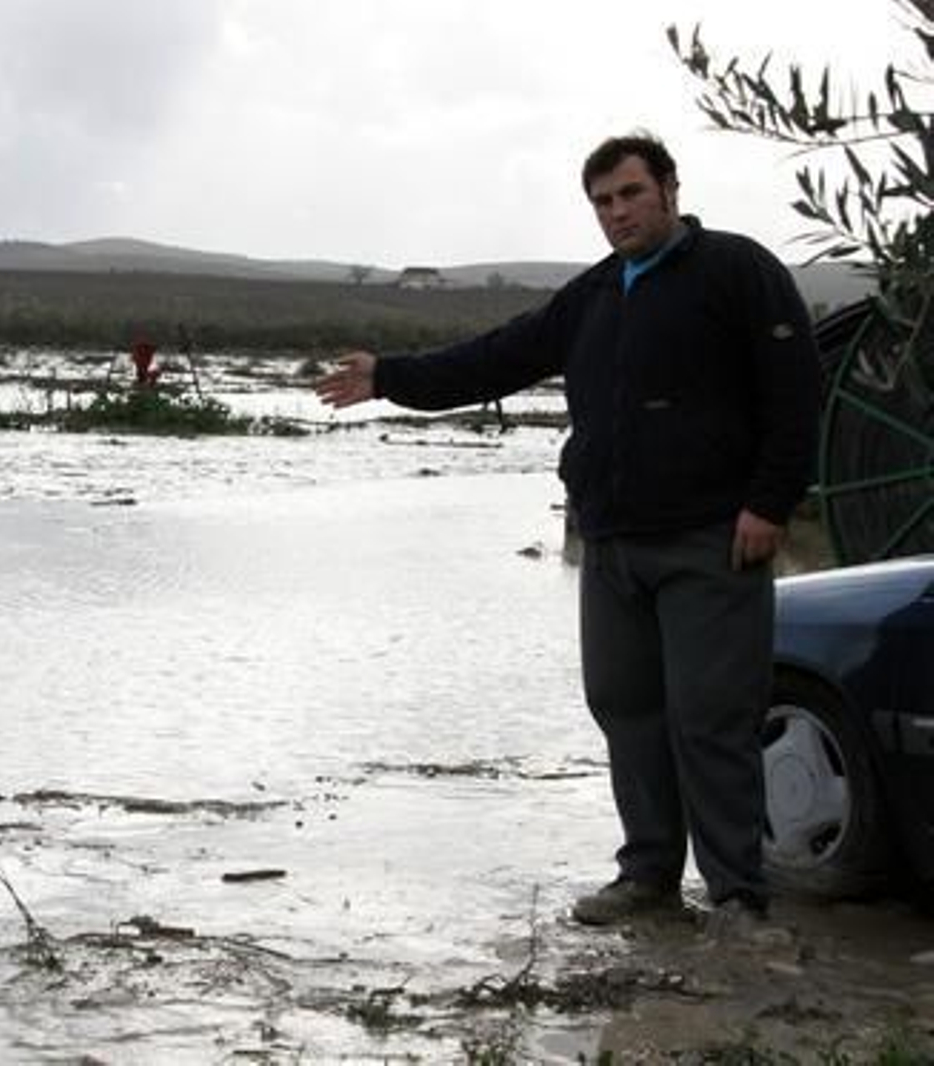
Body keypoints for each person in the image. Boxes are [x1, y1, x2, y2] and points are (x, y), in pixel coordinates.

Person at [315, 132, 820, 934]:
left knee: (712, 717)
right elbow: (495, 358)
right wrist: (389, 377)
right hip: (612, 542)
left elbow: (796, 394)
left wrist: (769, 503)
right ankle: (649, 876)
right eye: (603, 202)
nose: (617, 212)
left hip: (710, 539)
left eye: (630, 193)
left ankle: (737, 897)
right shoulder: (593, 296)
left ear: (669, 189)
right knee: (625, 709)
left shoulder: (737, 270)